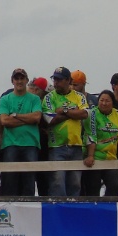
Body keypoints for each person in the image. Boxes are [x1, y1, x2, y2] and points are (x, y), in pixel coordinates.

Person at [41, 67, 89, 197]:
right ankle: (58, 211)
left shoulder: (79, 96)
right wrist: (74, 113)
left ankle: (73, 211)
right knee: (57, 182)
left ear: (68, 80)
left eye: (59, 79)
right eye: (54, 79)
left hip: (76, 146)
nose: (56, 82)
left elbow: (85, 113)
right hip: (57, 147)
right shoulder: (49, 98)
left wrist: (65, 111)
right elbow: (50, 119)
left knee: (75, 183)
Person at [0, 68, 42, 197]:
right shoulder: (5, 99)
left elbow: (36, 117)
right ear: (12, 81)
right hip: (10, 144)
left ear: (27, 80)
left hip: (30, 144)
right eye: (17, 78)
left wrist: (15, 115)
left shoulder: (35, 99)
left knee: (29, 181)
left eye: (22, 78)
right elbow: (4, 121)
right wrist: (27, 119)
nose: (19, 81)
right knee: (9, 180)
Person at [82, 90, 118, 196]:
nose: (104, 103)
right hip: (95, 159)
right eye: (101, 100)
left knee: (115, 188)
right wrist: (90, 156)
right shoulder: (92, 113)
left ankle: (108, 210)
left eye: (107, 101)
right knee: (92, 190)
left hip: (110, 159)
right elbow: (91, 135)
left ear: (112, 102)